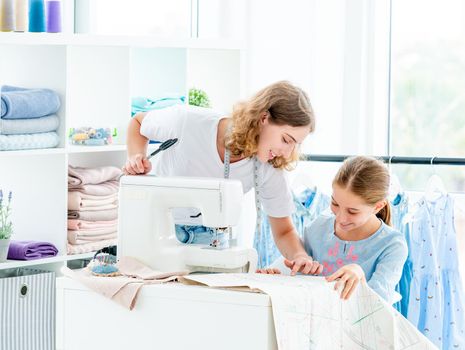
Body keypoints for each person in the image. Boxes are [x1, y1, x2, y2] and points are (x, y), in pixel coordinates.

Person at [123, 81, 322, 274]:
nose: (287, 153)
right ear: (263, 118)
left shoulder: (269, 167)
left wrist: (300, 256)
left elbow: (284, 230)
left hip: (211, 242)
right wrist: (135, 156)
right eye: (286, 140)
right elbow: (139, 122)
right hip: (157, 231)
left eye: (295, 145)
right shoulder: (188, 122)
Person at [259, 156, 408, 304]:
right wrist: (277, 279)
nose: (341, 218)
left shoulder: (392, 245)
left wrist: (360, 276)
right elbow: (302, 287)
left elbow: (378, 307)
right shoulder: (317, 228)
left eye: (352, 211)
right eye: (335, 203)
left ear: (377, 207)